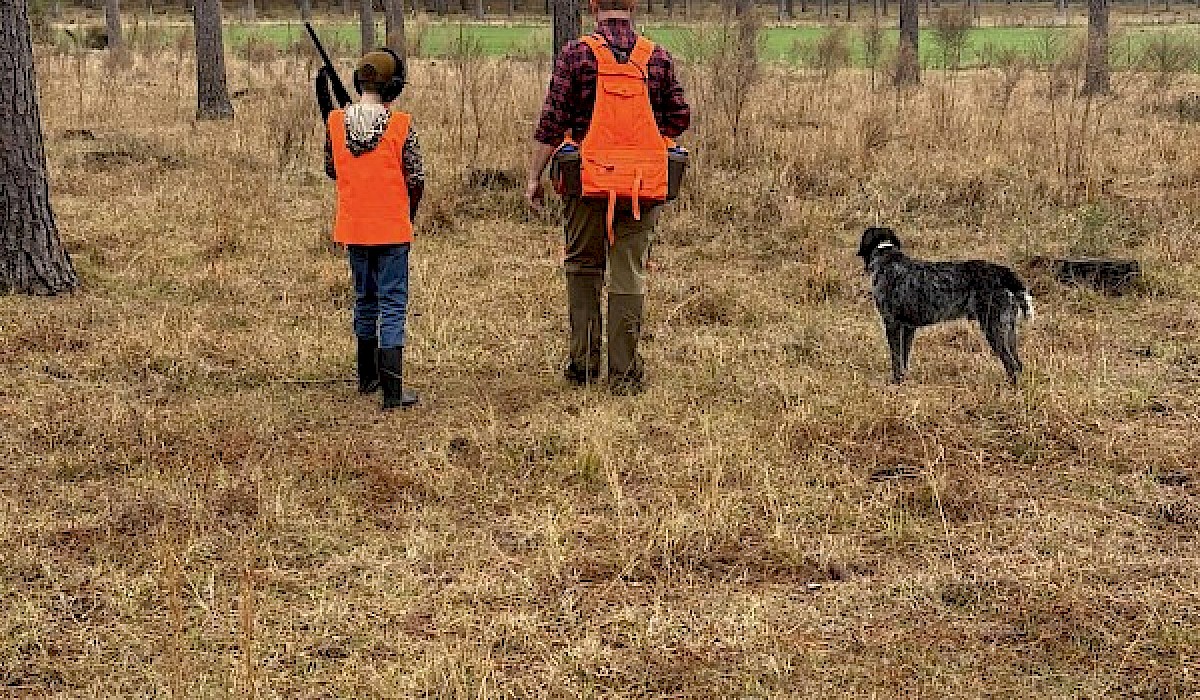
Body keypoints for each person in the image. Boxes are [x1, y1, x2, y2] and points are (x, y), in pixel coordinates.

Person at [525, 0, 690, 395]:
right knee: (629, 271)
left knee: (583, 266)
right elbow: (680, 117)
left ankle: (583, 366)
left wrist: (533, 176)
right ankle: (625, 374)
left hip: (586, 182)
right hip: (642, 187)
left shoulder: (577, 54)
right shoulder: (657, 57)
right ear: (632, 8)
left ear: (592, 7)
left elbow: (552, 122)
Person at [318, 49, 424, 410]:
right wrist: (410, 210)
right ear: (393, 87)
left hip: (354, 228)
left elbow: (332, 169)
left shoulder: (335, 122)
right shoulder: (401, 125)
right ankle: (393, 393)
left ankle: (367, 378)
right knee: (392, 304)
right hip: (392, 229)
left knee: (365, 300)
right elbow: (417, 177)